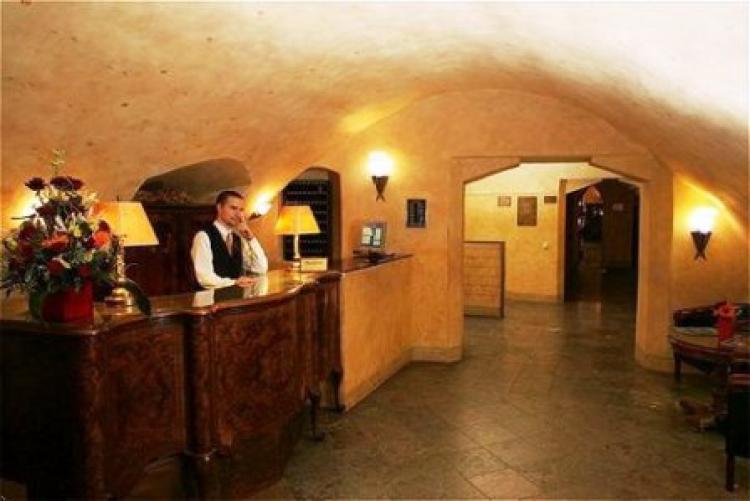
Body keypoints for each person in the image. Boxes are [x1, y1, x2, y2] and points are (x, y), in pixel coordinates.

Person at [191, 190, 268, 289]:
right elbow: (205, 278)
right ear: (219, 208)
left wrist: (251, 239)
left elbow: (260, 269)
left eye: (241, 210)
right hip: (211, 298)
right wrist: (234, 282)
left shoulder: (238, 239)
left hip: (235, 297)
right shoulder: (203, 236)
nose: (238, 214)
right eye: (233, 208)